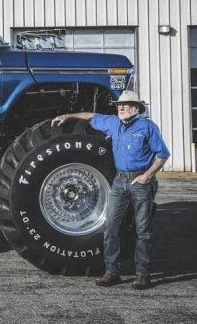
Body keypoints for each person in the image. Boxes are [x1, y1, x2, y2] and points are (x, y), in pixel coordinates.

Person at [51, 90, 170, 290]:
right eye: (118, 105)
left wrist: (147, 176)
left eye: (125, 105)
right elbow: (91, 116)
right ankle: (111, 272)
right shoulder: (113, 122)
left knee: (143, 231)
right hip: (119, 182)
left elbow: (162, 154)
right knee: (111, 227)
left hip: (140, 183)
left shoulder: (148, 127)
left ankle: (142, 274)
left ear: (136, 108)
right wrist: (68, 115)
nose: (120, 108)